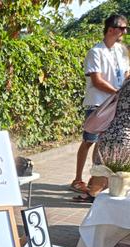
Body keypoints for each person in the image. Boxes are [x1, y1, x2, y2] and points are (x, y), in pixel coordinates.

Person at [72, 14, 129, 201]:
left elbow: (127, 73)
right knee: (89, 140)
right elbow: (96, 80)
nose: (125, 31)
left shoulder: (121, 50)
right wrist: (117, 94)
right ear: (111, 29)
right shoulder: (95, 52)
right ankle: (78, 179)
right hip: (98, 103)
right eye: (122, 28)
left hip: (115, 104)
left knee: (103, 144)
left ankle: (94, 182)